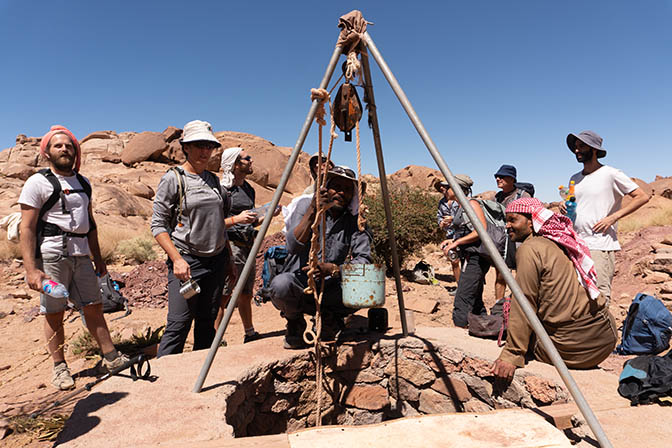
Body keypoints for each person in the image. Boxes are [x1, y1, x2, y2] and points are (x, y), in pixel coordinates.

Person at [18, 125, 128, 390]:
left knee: (93, 306)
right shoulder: (37, 182)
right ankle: (59, 368)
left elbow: (89, 223)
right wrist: (31, 270)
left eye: (69, 145)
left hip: (81, 256)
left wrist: (98, 258)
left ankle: (111, 357)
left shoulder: (83, 182)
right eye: (58, 146)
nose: (64, 149)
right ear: (47, 152)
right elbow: (27, 227)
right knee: (54, 312)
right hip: (52, 256)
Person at [492, 198, 617, 384]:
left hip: (574, 349)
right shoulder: (558, 241)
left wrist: (512, 353)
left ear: (531, 221)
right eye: (506, 220)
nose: (507, 226)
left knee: (506, 320)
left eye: (513, 220)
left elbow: (524, 299)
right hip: (606, 335)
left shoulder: (529, 249)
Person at [151, 120, 232, 357]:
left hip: (216, 262)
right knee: (179, 324)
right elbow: (157, 225)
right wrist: (176, 259)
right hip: (187, 263)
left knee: (207, 323)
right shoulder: (174, 178)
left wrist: (227, 259)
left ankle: (199, 378)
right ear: (186, 147)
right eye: (198, 145)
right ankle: (163, 380)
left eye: (209, 146)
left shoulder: (214, 180)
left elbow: (218, 223)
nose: (204, 151)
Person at [270, 166, 372, 349]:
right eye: (336, 186)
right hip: (301, 284)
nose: (341, 192)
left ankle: (330, 316)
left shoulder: (355, 220)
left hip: (332, 286)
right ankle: (294, 322)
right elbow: (293, 246)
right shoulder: (305, 206)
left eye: (348, 189)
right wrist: (312, 210)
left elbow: (364, 260)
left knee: (368, 287)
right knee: (281, 285)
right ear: (326, 188)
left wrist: (334, 269)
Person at [562, 130, 649, 306]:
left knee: (599, 296)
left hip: (599, 245)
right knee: (577, 295)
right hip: (576, 243)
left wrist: (613, 217)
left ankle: (604, 333)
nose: (577, 150)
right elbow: (577, 204)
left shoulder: (611, 174)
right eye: (576, 147)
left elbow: (642, 196)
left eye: (582, 146)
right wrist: (562, 205)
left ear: (594, 149)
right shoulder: (575, 178)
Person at [215, 147, 279, 343]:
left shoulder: (248, 189)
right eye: (246, 158)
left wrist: (266, 214)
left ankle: (249, 333)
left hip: (248, 244)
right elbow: (214, 223)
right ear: (235, 164)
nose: (251, 161)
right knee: (225, 293)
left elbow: (250, 221)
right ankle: (215, 337)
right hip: (230, 246)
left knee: (246, 292)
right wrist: (236, 219)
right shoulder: (222, 190)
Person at [440, 175, 489, 328]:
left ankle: (460, 328)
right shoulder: (460, 206)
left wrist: (457, 242)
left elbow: (481, 230)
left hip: (476, 257)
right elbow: (466, 231)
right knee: (474, 296)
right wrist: (452, 241)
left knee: (462, 297)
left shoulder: (471, 204)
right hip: (469, 255)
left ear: (457, 189)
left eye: (447, 187)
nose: (444, 190)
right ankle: (484, 326)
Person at [493, 164, 531, 301]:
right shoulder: (497, 197)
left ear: (511, 178)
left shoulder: (523, 196)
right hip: (502, 240)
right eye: (497, 176)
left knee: (521, 274)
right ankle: (498, 306)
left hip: (519, 240)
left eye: (502, 176)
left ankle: (520, 306)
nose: (498, 179)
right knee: (501, 275)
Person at [435, 180, 461, 285]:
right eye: (440, 187)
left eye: (444, 186)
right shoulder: (442, 202)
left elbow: (465, 215)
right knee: (454, 260)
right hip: (450, 234)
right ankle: (459, 286)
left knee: (466, 261)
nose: (442, 188)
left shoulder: (458, 200)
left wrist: (452, 219)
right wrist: (441, 223)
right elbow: (439, 216)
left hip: (462, 233)